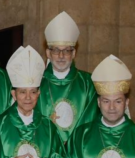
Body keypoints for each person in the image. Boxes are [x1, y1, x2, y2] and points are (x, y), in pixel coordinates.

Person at [38, 12, 97, 143]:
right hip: (46, 149)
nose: (61, 56)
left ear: (74, 53)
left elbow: (91, 121)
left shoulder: (88, 83)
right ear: (48, 53)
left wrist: (72, 145)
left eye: (67, 50)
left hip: (78, 151)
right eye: (56, 50)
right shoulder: (36, 83)